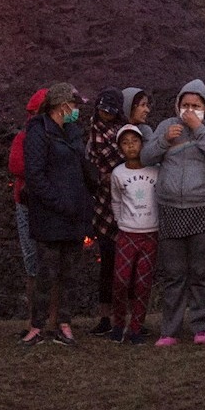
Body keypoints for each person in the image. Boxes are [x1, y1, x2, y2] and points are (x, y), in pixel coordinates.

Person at [143, 80, 205, 345]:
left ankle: (201, 328)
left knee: (202, 271)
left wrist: (198, 129)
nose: (190, 110)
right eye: (186, 105)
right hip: (171, 207)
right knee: (173, 273)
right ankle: (170, 330)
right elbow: (146, 156)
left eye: (196, 105)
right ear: (178, 105)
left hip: (204, 206)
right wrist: (162, 140)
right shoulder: (166, 126)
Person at [22, 83, 92, 344]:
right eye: (73, 106)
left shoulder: (72, 132)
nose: (76, 111)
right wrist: (59, 202)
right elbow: (35, 175)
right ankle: (37, 326)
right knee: (46, 273)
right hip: (50, 217)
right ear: (62, 106)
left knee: (69, 274)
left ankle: (64, 323)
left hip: (73, 215)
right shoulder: (39, 133)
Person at [82, 88, 128, 337]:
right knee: (108, 261)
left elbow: (129, 157)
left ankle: (126, 316)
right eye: (102, 110)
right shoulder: (93, 133)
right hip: (102, 204)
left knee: (126, 262)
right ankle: (105, 317)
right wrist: (104, 177)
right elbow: (91, 167)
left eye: (109, 111)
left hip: (128, 201)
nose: (105, 115)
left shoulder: (125, 132)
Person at [109, 123, 159, 345]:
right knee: (121, 281)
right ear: (120, 148)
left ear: (142, 143)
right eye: (125, 143)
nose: (131, 147)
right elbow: (116, 200)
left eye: (135, 141)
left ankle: (136, 327)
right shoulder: (118, 173)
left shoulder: (155, 170)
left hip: (150, 232)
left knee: (142, 283)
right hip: (127, 233)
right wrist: (121, 222)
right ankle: (118, 324)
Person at [8, 87, 46, 343]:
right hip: (28, 203)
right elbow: (17, 166)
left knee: (48, 261)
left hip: (47, 205)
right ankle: (35, 320)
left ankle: (47, 320)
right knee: (33, 261)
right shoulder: (24, 137)